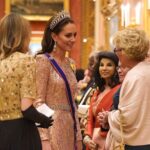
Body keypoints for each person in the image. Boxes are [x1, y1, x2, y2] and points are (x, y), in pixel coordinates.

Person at [0, 13, 53, 150]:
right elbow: (26, 109)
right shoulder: (26, 60)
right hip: (21, 133)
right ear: (22, 35)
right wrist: (44, 120)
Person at [35, 11, 82, 150]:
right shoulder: (43, 61)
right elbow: (38, 102)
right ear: (54, 36)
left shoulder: (70, 63)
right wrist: (44, 138)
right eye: (68, 35)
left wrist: (78, 135)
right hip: (52, 127)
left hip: (70, 126)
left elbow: (73, 103)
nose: (73, 39)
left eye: (75, 35)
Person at [103, 28, 150, 150]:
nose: (116, 54)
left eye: (116, 50)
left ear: (124, 51)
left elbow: (125, 118)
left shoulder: (134, 75)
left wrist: (109, 116)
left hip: (138, 144)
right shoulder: (146, 70)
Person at [83, 51, 120, 150]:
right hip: (92, 142)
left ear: (116, 68)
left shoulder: (120, 90)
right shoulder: (97, 91)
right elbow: (90, 118)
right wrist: (87, 137)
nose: (104, 68)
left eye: (109, 65)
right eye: (101, 65)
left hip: (109, 141)